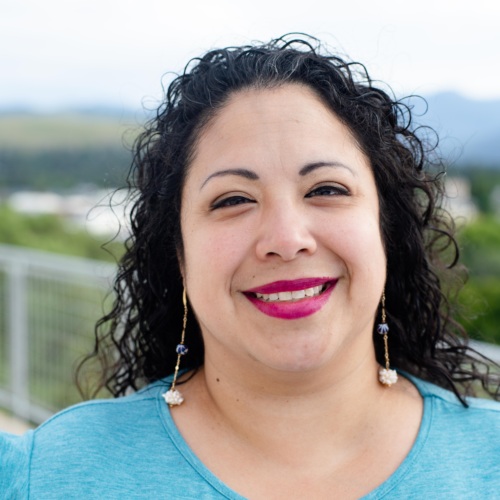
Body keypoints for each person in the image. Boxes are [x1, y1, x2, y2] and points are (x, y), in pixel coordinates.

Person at [1, 34, 499, 499]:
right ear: (178, 254)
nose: (286, 240)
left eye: (326, 189)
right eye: (233, 199)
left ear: (386, 232)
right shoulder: (44, 474)